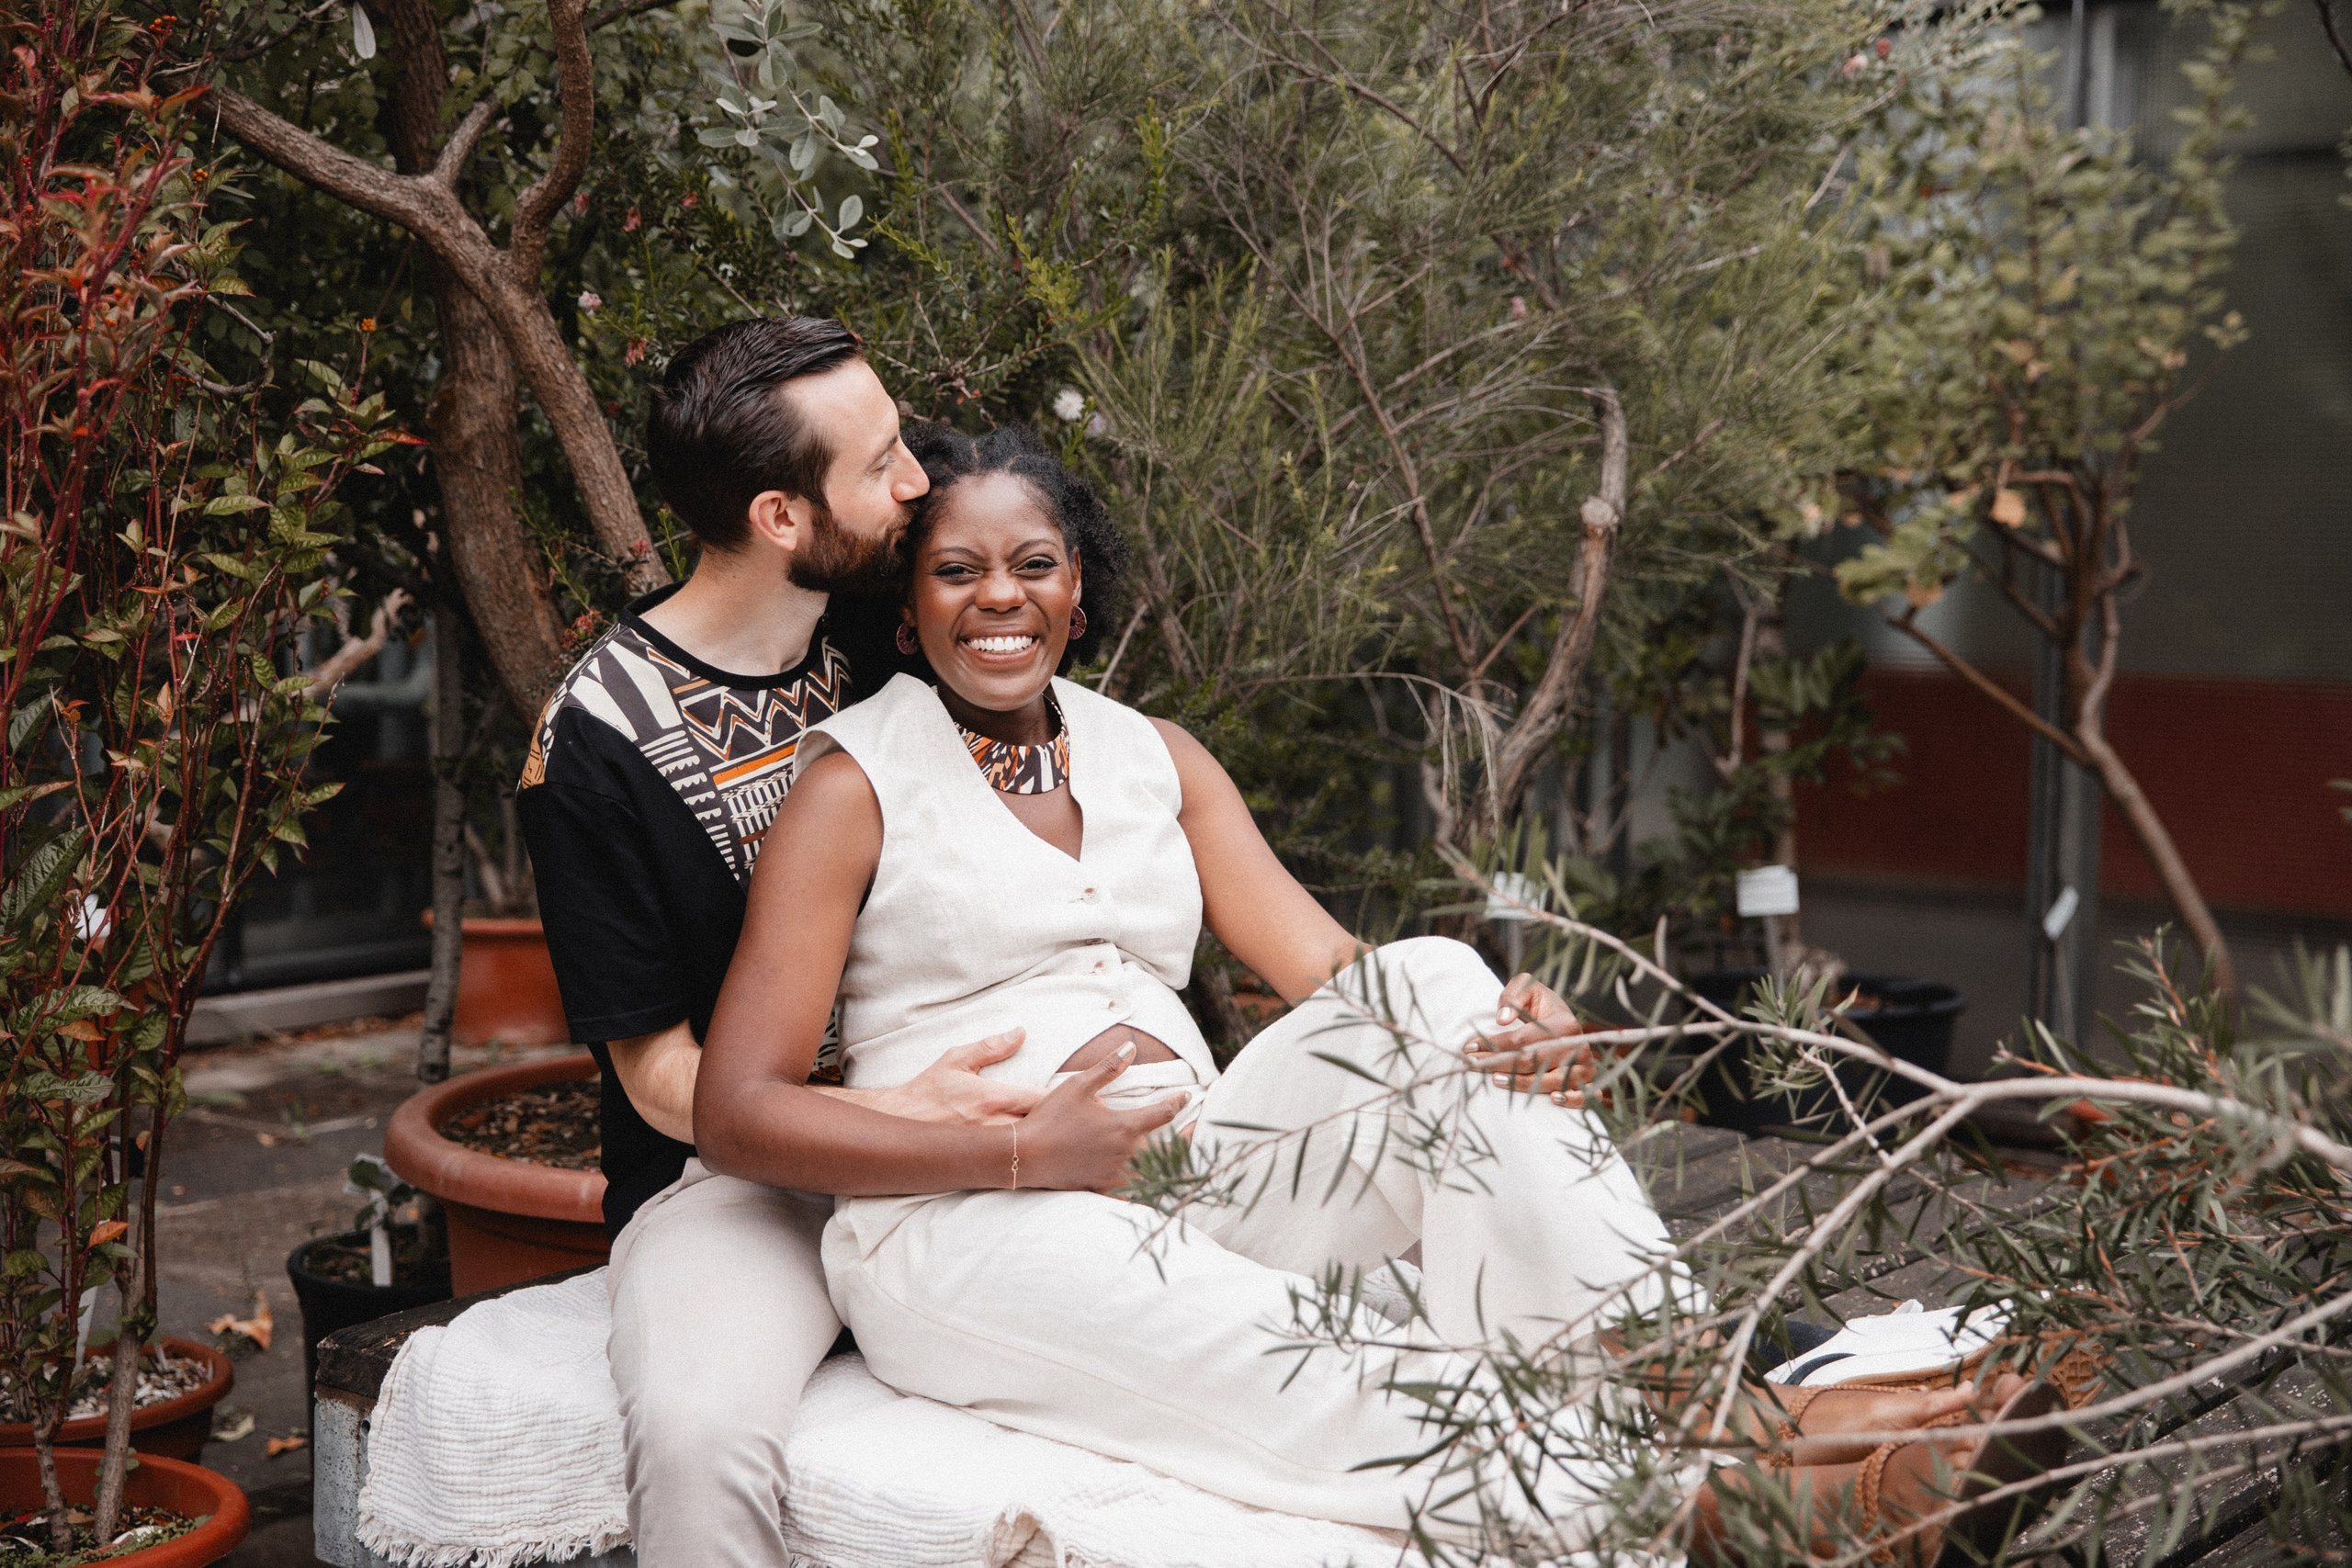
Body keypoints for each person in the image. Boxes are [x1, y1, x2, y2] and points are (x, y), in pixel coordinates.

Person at [695, 424, 2067, 1561]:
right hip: (967, 1222)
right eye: (956, 570)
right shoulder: (850, 784)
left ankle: (1707, 1401)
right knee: (1291, 1353)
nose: (999, 596)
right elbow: (739, 1111)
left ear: (1079, 590)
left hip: (1202, 1169)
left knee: (1430, 977)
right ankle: (1737, 1512)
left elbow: (1342, 982)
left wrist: (1503, 1039)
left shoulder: (1152, 755)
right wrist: (1012, 1146)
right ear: (910, 599)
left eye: (1033, 563)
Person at [516, 317, 1603, 1566]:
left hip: (1077, 1142)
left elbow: (1021, 633)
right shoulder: (598, 741)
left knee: (1436, 987)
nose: (915, 484)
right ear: (780, 518)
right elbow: (669, 1080)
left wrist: (1474, 1028)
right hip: (752, 1178)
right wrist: (955, 1128)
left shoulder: (872, 617)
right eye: (882, 469)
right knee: (701, 1435)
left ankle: (1660, 1379)